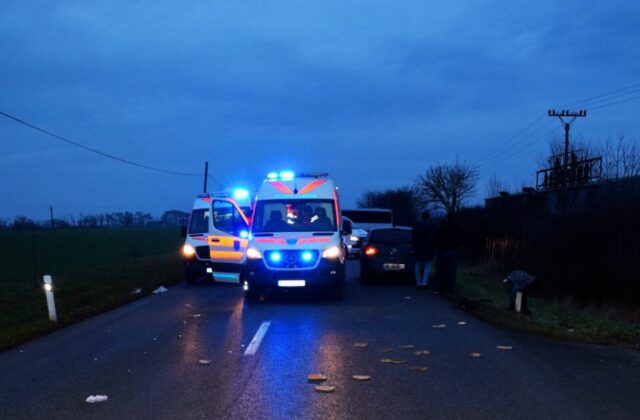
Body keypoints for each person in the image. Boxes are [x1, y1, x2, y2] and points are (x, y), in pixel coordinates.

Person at [434, 214, 463, 295]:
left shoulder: (442, 228)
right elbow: (461, 240)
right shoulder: (458, 229)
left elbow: (437, 239)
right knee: (452, 272)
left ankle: (437, 288)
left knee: (440, 270)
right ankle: (450, 290)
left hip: (443, 251)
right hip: (454, 252)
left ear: (447, 219)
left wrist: (437, 248)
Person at [412, 211, 435, 290]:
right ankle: (424, 283)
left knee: (417, 265)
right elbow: (433, 238)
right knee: (427, 266)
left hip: (418, 248)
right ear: (428, 217)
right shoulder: (431, 226)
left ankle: (418, 283)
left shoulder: (417, 225)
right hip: (428, 248)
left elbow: (413, 237)